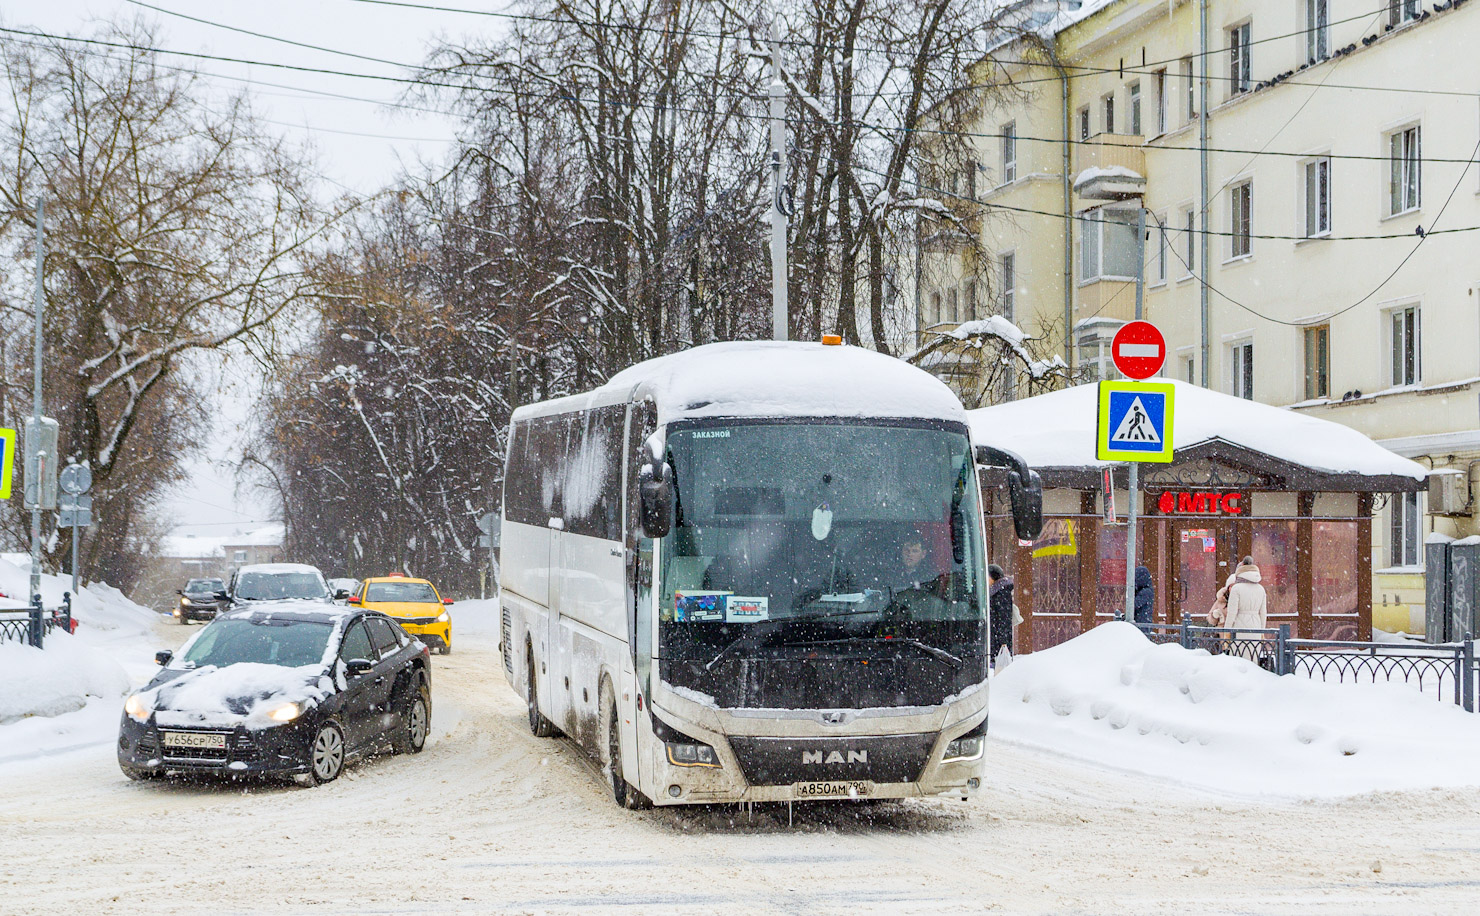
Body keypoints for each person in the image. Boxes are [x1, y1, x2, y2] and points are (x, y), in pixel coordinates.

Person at [1223, 556, 1268, 630]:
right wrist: (1262, 630)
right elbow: (1263, 613)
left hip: (1239, 628)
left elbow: (1232, 613)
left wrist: (1227, 630)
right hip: (1256, 628)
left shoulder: (1236, 588)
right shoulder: (1261, 589)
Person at [988, 564, 1014, 660]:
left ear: (994, 577)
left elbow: (1004, 619)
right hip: (996, 639)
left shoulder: (1001, 593)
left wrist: (1004, 642)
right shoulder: (995, 592)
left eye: (987, 576)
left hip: (999, 642)